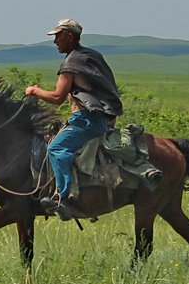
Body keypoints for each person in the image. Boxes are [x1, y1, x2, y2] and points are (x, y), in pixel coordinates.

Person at [23, 19, 123, 220]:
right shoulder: (92, 56)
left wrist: (34, 91)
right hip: (100, 117)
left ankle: (63, 197)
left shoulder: (71, 62)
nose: (55, 42)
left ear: (69, 36)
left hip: (86, 119)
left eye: (58, 37)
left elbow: (57, 98)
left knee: (56, 148)